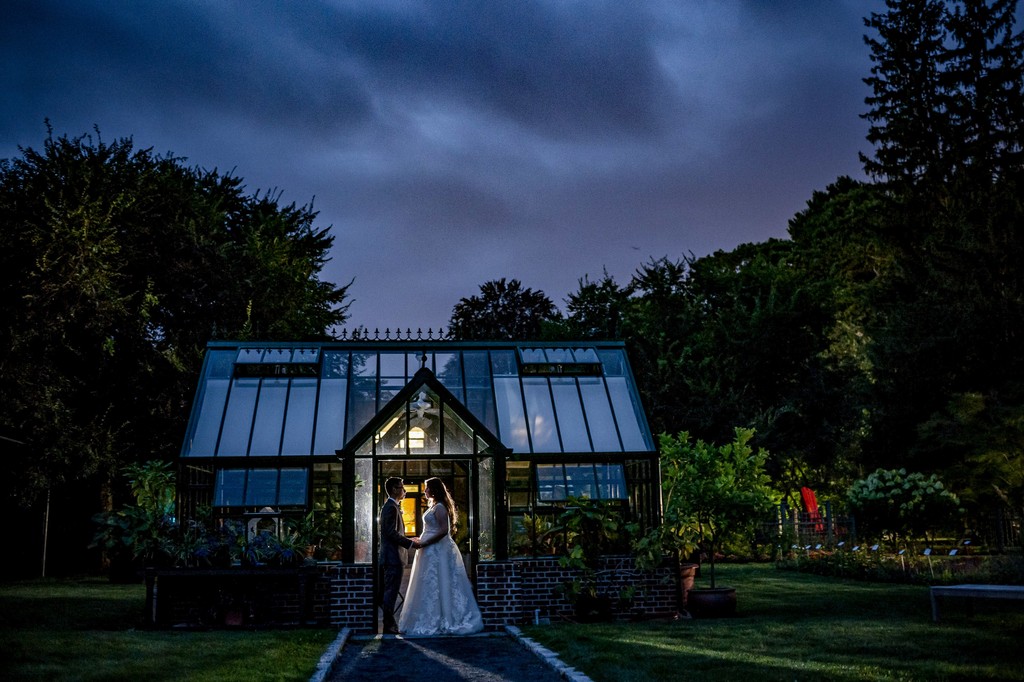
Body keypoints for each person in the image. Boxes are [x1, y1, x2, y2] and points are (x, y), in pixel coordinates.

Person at [399, 477, 484, 635]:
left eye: (427, 488)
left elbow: (443, 530)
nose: (424, 491)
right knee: (429, 583)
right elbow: (431, 529)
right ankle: (430, 616)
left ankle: (445, 618)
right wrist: (419, 539)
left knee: (441, 581)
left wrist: (425, 542)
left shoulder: (439, 507)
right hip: (429, 549)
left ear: (434, 489)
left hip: (437, 549)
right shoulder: (433, 506)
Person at [379, 477, 419, 635]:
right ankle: (389, 625)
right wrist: (410, 544)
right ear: (395, 489)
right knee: (391, 592)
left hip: (393, 557)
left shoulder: (392, 506)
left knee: (392, 591)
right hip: (392, 557)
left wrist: (409, 540)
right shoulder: (391, 508)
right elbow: (390, 532)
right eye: (402, 488)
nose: (405, 491)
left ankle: (390, 624)